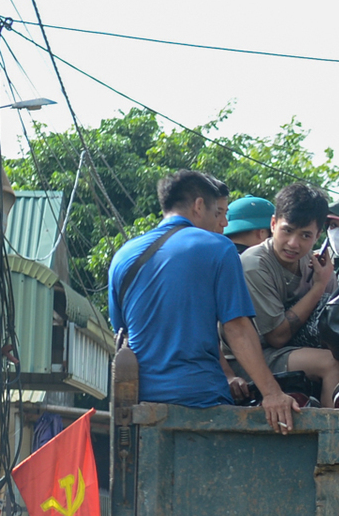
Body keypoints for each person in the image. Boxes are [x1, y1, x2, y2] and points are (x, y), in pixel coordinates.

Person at [107, 170, 298, 434]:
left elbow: (122, 333)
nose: (222, 225)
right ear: (199, 206)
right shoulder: (218, 247)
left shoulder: (123, 256)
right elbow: (237, 329)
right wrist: (272, 394)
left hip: (139, 405)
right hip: (201, 401)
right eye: (218, 214)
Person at [235, 183, 339, 399]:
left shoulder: (317, 265)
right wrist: (318, 287)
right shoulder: (254, 264)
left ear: (318, 236)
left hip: (293, 351)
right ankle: (329, 433)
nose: (293, 243)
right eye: (287, 230)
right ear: (273, 224)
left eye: (305, 236)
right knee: (333, 365)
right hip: (252, 359)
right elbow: (277, 337)